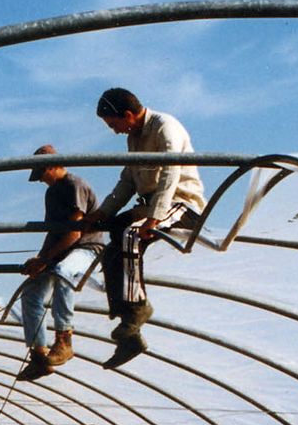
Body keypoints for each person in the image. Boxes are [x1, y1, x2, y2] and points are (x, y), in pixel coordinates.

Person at [83, 88, 206, 369]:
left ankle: (137, 310)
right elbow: (128, 179)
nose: (115, 131)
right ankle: (127, 325)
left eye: (114, 124)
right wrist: (103, 213)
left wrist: (154, 217)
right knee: (114, 239)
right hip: (152, 205)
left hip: (181, 203)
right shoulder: (134, 138)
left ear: (128, 114)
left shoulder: (165, 127)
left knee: (131, 235)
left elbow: (171, 174)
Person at [18, 144, 108, 382]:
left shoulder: (73, 185)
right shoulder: (52, 193)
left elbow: (74, 234)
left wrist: (46, 260)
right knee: (30, 294)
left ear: (54, 166)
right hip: (61, 252)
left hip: (87, 249)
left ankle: (64, 338)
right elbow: (53, 232)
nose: (40, 181)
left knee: (63, 271)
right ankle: (39, 356)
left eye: (42, 174)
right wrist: (39, 261)